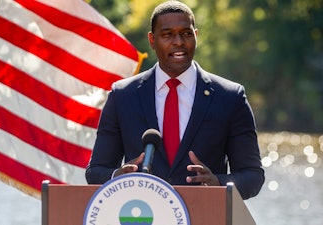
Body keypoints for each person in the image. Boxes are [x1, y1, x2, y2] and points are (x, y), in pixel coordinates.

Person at [85, 0, 264, 200]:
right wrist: (118, 177)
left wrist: (218, 184)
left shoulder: (230, 97)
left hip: (205, 214)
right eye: (167, 34)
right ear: (152, 40)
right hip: (142, 214)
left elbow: (252, 176)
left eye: (186, 34)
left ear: (195, 36)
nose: (178, 42)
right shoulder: (122, 96)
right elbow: (96, 171)